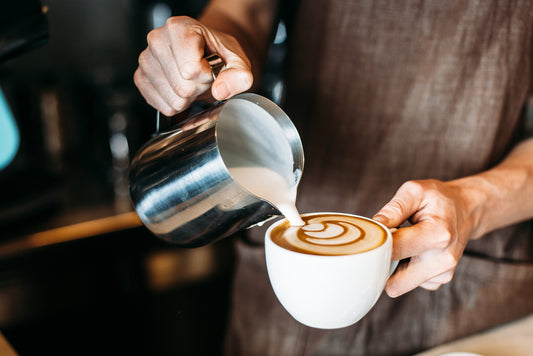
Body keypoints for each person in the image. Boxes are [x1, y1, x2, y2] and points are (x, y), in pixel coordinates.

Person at [134, 0, 533, 354]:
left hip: (468, 283)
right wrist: (207, 57)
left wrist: (474, 204)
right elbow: (247, 11)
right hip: (288, 262)